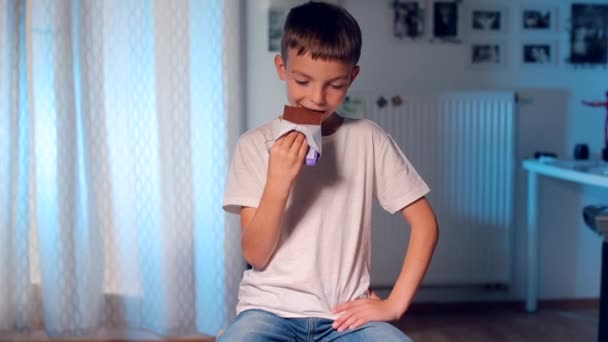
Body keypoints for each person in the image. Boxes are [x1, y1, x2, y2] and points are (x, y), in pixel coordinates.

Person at [220, 1, 438, 341]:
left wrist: (395, 304)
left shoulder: (369, 139)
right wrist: (278, 182)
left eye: (334, 85)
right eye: (302, 81)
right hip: (268, 311)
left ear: (353, 77)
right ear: (282, 68)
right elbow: (256, 254)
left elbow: (425, 223)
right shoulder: (254, 145)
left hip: (345, 316)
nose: (316, 98)